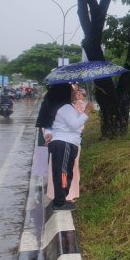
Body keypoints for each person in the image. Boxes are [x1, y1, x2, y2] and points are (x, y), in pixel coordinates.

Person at [36, 83, 93, 211]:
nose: (74, 93)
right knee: (64, 173)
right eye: (72, 91)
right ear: (64, 93)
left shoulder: (59, 106)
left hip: (61, 143)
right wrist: (87, 112)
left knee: (61, 173)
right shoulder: (65, 107)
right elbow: (74, 124)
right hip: (65, 143)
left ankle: (59, 200)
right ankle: (60, 202)